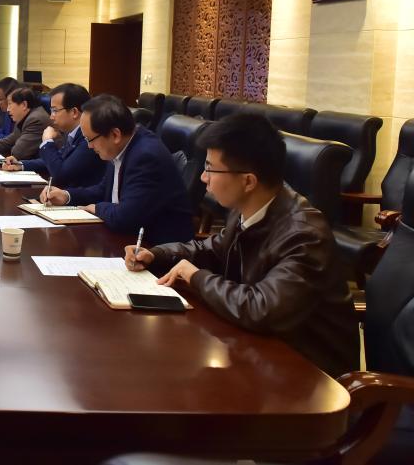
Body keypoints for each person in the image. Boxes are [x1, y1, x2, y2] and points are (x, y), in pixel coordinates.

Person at [124, 113, 359, 378]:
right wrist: (156, 254)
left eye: (210, 168)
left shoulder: (304, 235)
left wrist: (196, 277)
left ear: (248, 181)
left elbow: (261, 309)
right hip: (263, 350)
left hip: (311, 374)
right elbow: (212, 248)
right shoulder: (248, 207)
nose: (203, 178)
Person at [41, 94, 193, 243]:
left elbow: (125, 217)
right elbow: (103, 190)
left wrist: (96, 208)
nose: (89, 146)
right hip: (125, 238)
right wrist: (66, 196)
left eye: (90, 139)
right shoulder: (122, 146)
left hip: (155, 247)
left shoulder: (146, 156)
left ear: (115, 134)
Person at [3, 83, 106, 189]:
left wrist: (47, 142)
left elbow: (60, 174)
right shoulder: (70, 133)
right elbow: (58, 160)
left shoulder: (88, 139)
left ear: (74, 112)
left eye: (54, 110)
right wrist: (21, 165)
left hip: (79, 197)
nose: (51, 117)